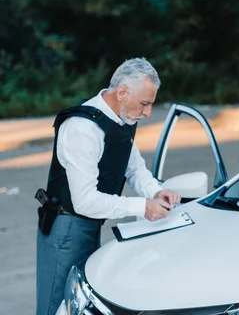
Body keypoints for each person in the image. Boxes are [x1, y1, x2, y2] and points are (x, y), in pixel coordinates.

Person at [36, 58, 181, 315]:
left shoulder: (122, 120)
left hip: (91, 224)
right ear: (122, 92)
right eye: (145, 104)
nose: (148, 113)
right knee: (55, 307)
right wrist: (142, 206)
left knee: (81, 305)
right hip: (66, 228)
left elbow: (135, 168)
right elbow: (84, 200)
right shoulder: (83, 128)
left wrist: (155, 191)